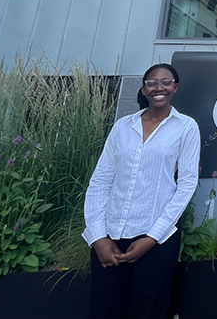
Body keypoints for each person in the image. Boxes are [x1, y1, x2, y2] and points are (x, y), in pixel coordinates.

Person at [82, 63, 200, 318]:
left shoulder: (186, 127)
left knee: (148, 312)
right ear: (144, 89)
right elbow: (101, 180)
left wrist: (152, 238)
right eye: (152, 83)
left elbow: (187, 184)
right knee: (104, 311)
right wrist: (98, 237)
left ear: (175, 88)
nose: (159, 88)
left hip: (156, 240)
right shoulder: (123, 127)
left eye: (166, 82)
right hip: (111, 239)